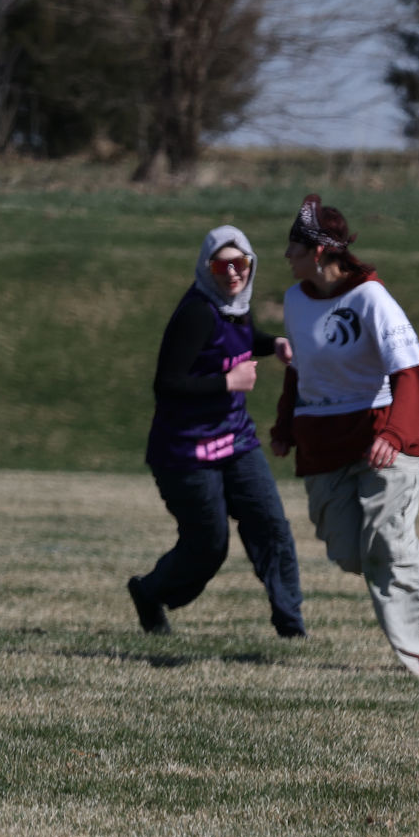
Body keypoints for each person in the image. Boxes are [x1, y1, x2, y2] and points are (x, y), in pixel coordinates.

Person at [269, 195, 419, 677]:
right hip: (324, 444)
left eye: (293, 247)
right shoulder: (295, 300)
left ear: (319, 252)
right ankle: (414, 619)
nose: (286, 255)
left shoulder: (371, 298)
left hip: (383, 438)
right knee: (351, 552)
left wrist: (395, 434)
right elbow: (300, 371)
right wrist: (285, 426)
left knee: (387, 544)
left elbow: (412, 374)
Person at [127, 226, 303, 638]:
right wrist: (228, 382)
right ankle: (150, 592)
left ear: (251, 264)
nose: (232, 273)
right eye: (221, 266)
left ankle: (290, 624)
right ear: (207, 269)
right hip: (186, 451)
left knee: (271, 526)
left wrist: (273, 344)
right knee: (207, 544)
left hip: (236, 439)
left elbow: (239, 340)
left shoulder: (235, 306)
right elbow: (167, 383)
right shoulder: (198, 312)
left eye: (240, 263)